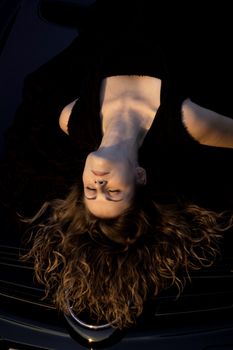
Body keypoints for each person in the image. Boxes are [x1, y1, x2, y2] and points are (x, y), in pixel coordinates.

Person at [1, 0, 233, 329]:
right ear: (140, 177)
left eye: (91, 192)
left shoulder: (74, 119)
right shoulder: (186, 125)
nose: (98, 182)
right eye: (112, 192)